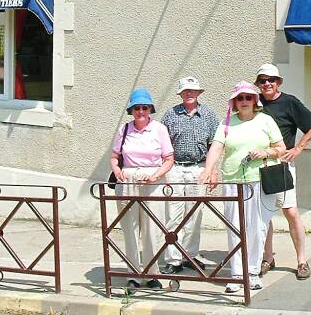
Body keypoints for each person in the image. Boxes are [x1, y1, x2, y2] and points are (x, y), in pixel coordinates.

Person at [198, 81, 286, 293]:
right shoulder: (227, 122)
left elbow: (281, 148)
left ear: (254, 100)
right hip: (232, 180)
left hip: (258, 179)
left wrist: (265, 153)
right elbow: (216, 148)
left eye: (248, 97)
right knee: (234, 227)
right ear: (234, 102)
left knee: (257, 227)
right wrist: (209, 170)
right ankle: (237, 274)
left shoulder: (266, 120)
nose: (244, 101)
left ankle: (253, 272)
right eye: (240, 98)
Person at [256, 63, 311, 281]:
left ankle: (302, 260)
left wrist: (299, 148)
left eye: (271, 80)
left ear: (279, 82)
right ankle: (267, 258)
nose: (267, 84)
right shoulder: (253, 102)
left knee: (291, 212)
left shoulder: (289, 102)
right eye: (263, 80)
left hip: (281, 165)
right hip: (258, 166)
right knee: (263, 216)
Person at [110, 87, 174, 291]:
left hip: (152, 181)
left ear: (150, 109)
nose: (141, 111)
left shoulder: (159, 129)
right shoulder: (124, 129)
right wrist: (117, 171)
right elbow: (114, 157)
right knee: (130, 227)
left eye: (145, 107)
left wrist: (155, 175)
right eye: (137, 108)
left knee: (152, 228)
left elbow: (169, 159)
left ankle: (152, 273)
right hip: (128, 179)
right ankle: (133, 273)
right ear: (131, 110)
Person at [161, 76, 219, 274]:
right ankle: (173, 258)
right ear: (180, 93)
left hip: (199, 168)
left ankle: (189, 255)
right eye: (185, 91)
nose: (189, 94)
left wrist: (213, 171)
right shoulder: (170, 115)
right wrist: (164, 170)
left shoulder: (209, 116)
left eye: (193, 90)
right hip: (175, 168)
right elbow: (162, 145)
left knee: (195, 214)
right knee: (174, 214)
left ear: (199, 93)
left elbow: (215, 146)